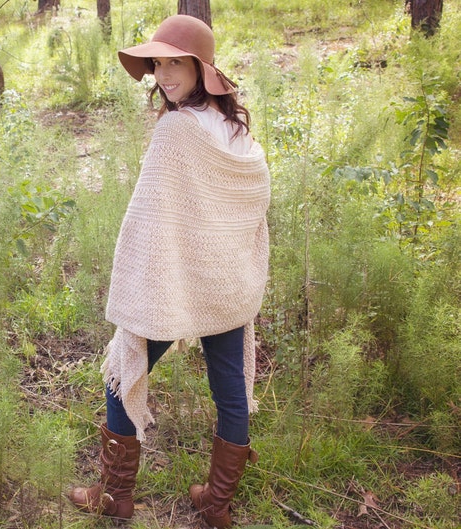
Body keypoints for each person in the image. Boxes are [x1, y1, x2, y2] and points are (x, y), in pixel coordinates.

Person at [67, 14, 270, 529]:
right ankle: (216, 504)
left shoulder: (178, 130)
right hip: (227, 289)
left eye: (175, 63)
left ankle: (116, 497)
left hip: (177, 288)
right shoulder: (239, 132)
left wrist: (142, 286)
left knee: (122, 370)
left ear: (203, 68)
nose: (163, 75)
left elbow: (147, 221)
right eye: (157, 63)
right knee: (230, 390)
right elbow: (250, 209)